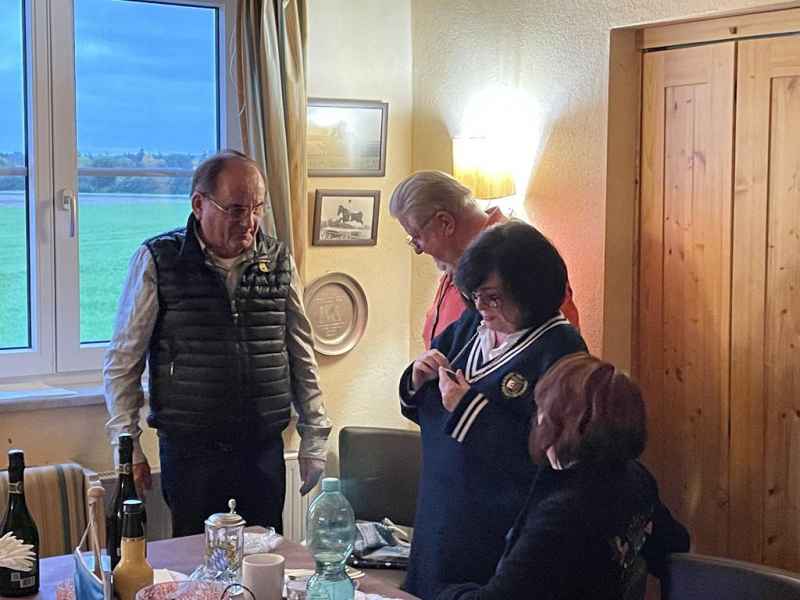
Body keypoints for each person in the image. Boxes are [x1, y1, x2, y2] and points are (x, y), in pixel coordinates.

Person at [103, 150, 331, 537]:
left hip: (262, 450)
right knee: (195, 561)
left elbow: (302, 354)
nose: (250, 221)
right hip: (192, 454)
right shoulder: (159, 259)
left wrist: (314, 437)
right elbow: (124, 362)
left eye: (257, 208)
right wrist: (128, 448)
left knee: (265, 558)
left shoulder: (278, 260)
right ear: (198, 204)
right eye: (237, 209)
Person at [398, 221, 587, 599]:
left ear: (530, 290)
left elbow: (552, 458)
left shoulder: (562, 349)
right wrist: (416, 378)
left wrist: (467, 408)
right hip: (439, 519)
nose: (481, 306)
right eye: (474, 295)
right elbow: (429, 410)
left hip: (494, 533)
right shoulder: (473, 324)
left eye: (493, 297)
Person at [437, 353, 691, 600]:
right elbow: (675, 543)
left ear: (559, 421)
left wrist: (441, 592)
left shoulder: (563, 513)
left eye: (541, 408)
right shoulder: (635, 477)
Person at [389, 170, 580, 348]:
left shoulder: (523, 258)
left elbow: (556, 350)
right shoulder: (456, 261)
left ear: (445, 222)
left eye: (417, 237)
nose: (418, 249)